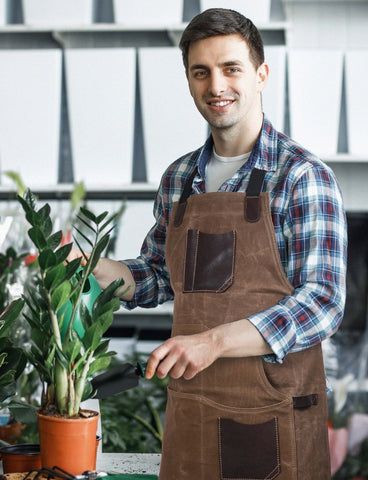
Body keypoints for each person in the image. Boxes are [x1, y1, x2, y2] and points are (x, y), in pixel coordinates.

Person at [72, 8, 347, 479]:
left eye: (231, 68)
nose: (216, 86)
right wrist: (96, 267)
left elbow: (322, 303)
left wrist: (213, 343)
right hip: (193, 407)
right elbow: (159, 276)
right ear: (189, 80)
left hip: (273, 416)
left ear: (260, 74)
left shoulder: (302, 176)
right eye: (201, 72)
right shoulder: (179, 177)